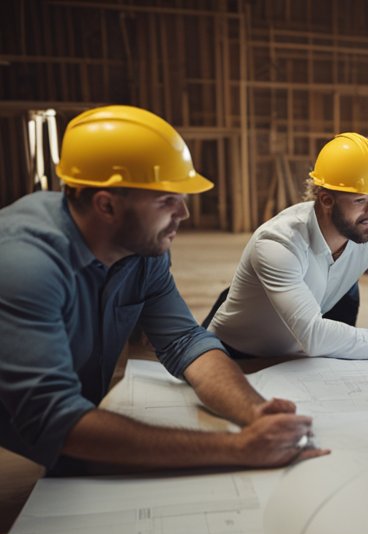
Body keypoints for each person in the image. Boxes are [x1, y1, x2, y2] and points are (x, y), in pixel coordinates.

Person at [0, 105, 325, 475]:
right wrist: (238, 447)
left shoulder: (141, 250)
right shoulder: (25, 265)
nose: (183, 214)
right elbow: (50, 419)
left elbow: (185, 342)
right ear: (106, 204)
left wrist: (252, 410)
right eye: (166, 200)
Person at [207, 132, 368, 361]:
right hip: (235, 356)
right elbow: (313, 334)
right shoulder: (278, 244)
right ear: (327, 200)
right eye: (361, 199)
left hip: (292, 359)